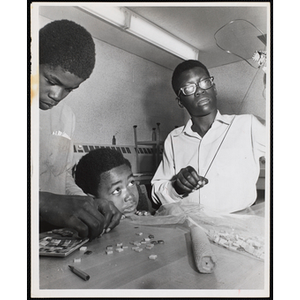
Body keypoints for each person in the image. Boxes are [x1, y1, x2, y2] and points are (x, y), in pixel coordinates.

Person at [38, 19, 122, 239]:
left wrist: (92, 204)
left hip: (48, 234)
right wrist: (46, 202)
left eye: (69, 89)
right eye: (50, 80)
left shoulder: (66, 116)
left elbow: (62, 175)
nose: (56, 95)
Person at [151, 60, 266, 214]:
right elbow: (157, 192)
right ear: (180, 102)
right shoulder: (174, 139)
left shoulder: (248, 124)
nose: (199, 91)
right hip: (191, 228)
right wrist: (176, 187)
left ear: (214, 87)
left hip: (238, 229)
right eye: (188, 88)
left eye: (204, 82)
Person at [74, 148, 154, 217]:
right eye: (116, 190)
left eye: (131, 183)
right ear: (94, 200)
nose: (129, 196)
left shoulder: (141, 212)